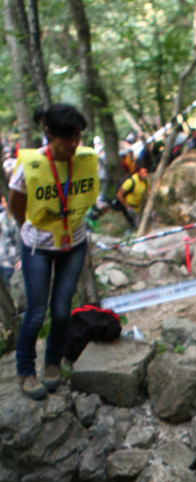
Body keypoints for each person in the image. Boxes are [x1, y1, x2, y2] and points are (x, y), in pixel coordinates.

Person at [8, 103, 98, 400]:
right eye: (67, 138)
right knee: (36, 313)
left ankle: (52, 364)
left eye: (77, 137)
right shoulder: (31, 166)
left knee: (61, 310)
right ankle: (25, 371)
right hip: (39, 247)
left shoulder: (83, 160)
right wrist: (30, 228)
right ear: (50, 135)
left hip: (74, 244)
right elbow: (16, 203)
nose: (74, 144)